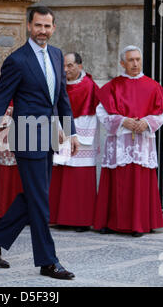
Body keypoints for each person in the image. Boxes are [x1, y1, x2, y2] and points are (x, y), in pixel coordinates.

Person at [0, 6, 80, 280]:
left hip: (48, 136)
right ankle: (48, 261)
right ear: (28, 26)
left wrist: (71, 132)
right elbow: (0, 101)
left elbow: (61, 98)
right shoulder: (17, 60)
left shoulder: (57, 55)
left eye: (47, 26)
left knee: (36, 197)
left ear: (53, 28)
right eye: (38, 26)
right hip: (26, 136)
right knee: (40, 201)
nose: (42, 31)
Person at [93, 45, 163, 237]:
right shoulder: (113, 85)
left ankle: (140, 224)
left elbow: (162, 112)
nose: (135, 63)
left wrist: (147, 122)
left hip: (142, 143)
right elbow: (101, 110)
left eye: (137, 59)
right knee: (118, 182)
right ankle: (112, 223)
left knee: (140, 184)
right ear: (122, 63)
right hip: (119, 142)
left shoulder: (152, 86)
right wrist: (122, 120)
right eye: (131, 60)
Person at [49, 52, 100, 232]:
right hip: (60, 134)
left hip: (81, 138)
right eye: (64, 66)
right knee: (58, 176)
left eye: (70, 65)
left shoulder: (89, 86)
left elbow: (92, 114)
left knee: (78, 179)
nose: (66, 70)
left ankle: (80, 220)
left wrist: (74, 134)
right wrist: (59, 130)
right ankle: (56, 217)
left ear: (80, 66)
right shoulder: (56, 84)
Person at [0, 93, 23, 222]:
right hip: (3, 140)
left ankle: (22, 214)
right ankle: (2, 211)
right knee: (4, 174)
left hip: (25, 138)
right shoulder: (0, 93)